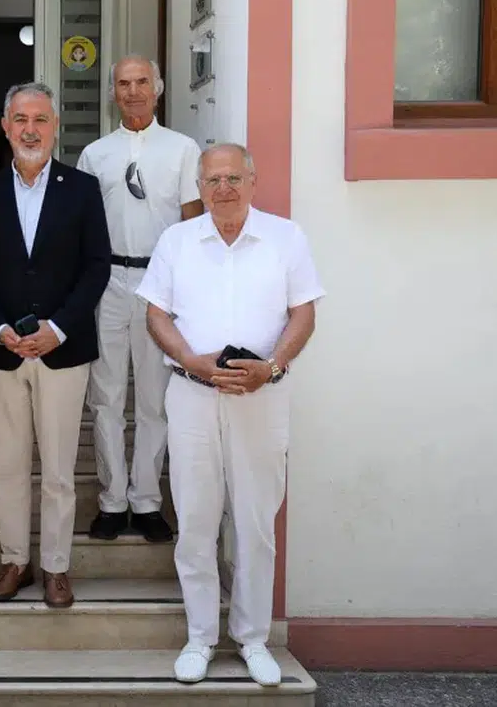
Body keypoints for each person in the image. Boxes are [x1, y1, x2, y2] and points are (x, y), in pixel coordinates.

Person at [135, 143, 324, 686]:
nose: (224, 188)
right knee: (194, 520)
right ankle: (200, 638)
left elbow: (304, 311)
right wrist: (188, 358)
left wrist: (274, 364)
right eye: (213, 179)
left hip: (262, 397)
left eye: (234, 178)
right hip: (192, 394)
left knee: (255, 523)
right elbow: (156, 312)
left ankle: (253, 639)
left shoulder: (285, 237)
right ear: (200, 185)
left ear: (252, 180)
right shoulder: (176, 241)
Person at [0, 81, 111, 609]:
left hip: (63, 349)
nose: (30, 129)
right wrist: (0, 327)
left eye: (41, 119)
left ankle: (56, 566)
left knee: (57, 468)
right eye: (21, 119)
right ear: (6, 127)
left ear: (55, 127)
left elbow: (97, 265)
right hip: (5, 350)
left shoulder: (82, 188)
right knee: (7, 463)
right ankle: (14, 561)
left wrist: (59, 327)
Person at [76, 56, 203, 544]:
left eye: (141, 82)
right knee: (106, 395)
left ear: (159, 87)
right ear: (113, 92)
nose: (133, 92)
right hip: (108, 279)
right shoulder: (96, 154)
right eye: (123, 83)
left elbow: (193, 226)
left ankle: (147, 501)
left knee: (155, 397)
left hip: (161, 283)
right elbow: (86, 227)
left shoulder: (183, 149)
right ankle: (112, 500)